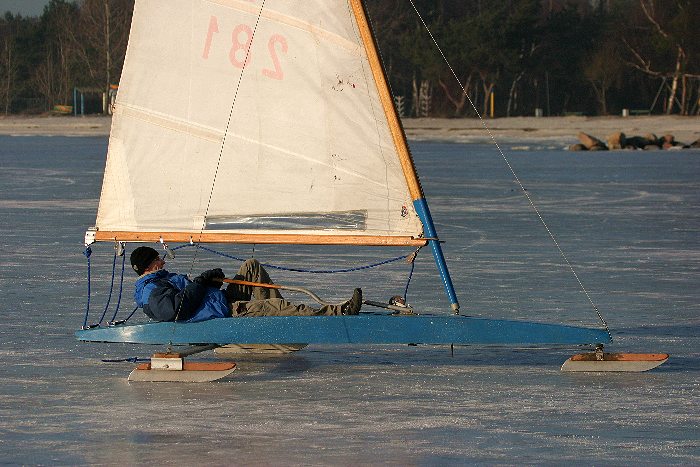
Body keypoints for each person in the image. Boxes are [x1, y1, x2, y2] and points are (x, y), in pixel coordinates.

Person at [129, 246, 362, 323]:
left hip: (218, 301)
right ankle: (338, 312)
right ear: (150, 264)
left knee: (251, 266)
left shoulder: (161, 279)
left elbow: (192, 293)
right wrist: (200, 283)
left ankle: (279, 321)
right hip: (222, 312)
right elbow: (176, 310)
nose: (163, 259)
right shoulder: (150, 290)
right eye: (158, 258)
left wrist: (209, 281)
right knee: (274, 308)